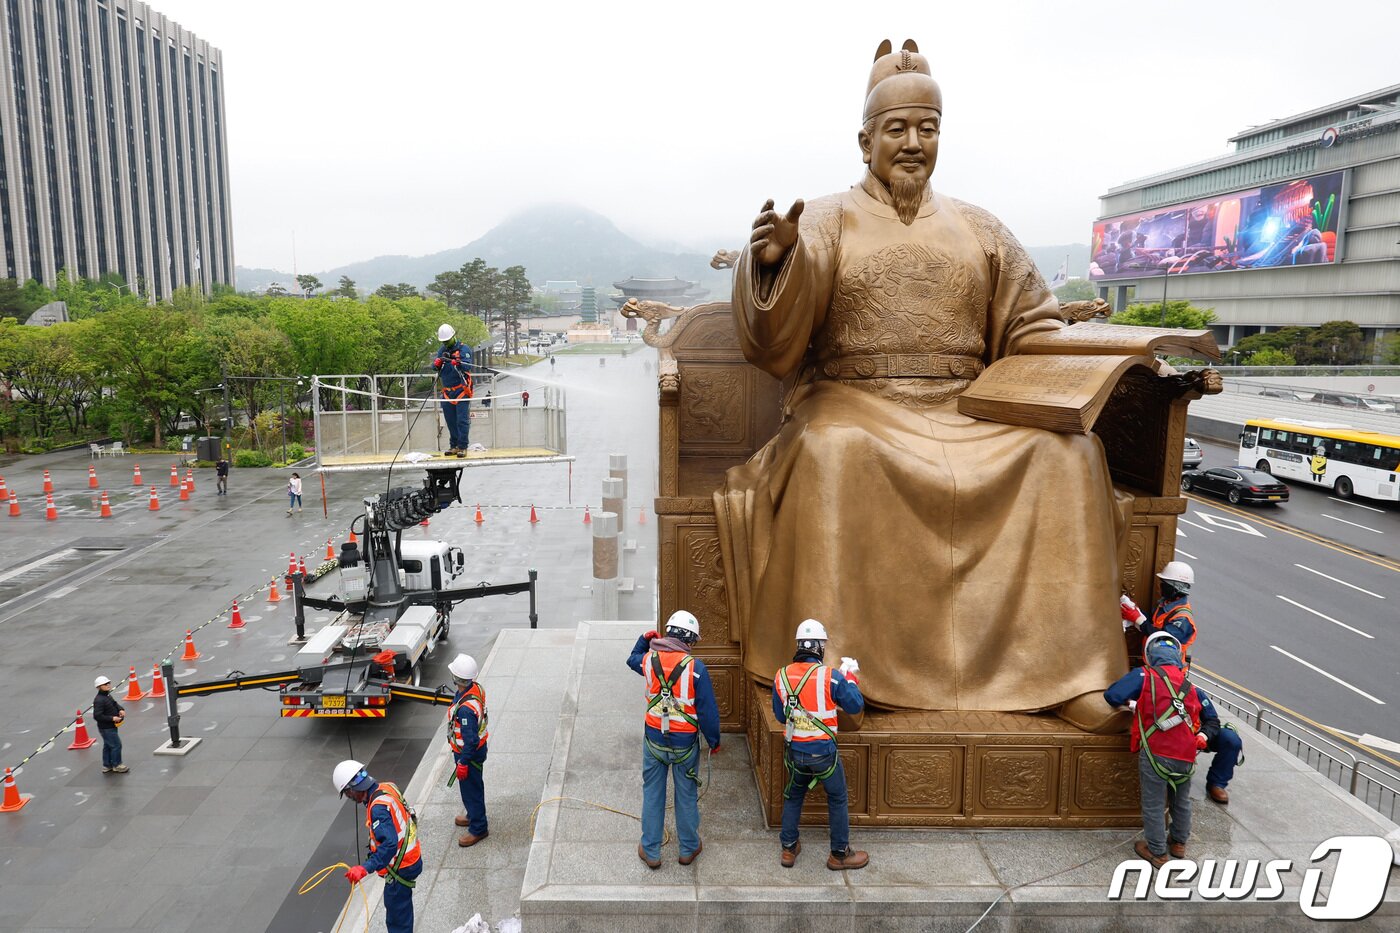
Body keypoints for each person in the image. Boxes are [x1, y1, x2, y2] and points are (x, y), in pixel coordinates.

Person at [715, 39, 1138, 724]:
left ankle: (1072, 677)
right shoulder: (821, 219)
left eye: (927, 128)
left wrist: (1118, 351)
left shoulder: (980, 227)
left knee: (1069, 455)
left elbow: (1033, 327)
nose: (913, 143)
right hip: (851, 400)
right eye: (897, 129)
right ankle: (825, 680)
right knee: (833, 452)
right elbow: (773, 346)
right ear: (865, 140)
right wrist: (773, 267)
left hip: (965, 408)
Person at [1122, 563, 1242, 804]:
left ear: (1175, 586)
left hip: (1175, 678)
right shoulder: (1165, 606)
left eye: (1164, 583)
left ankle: (1217, 783)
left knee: (1231, 741)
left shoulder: (1183, 618)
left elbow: (1163, 637)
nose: (1160, 586)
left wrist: (1205, 737)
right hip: (1155, 674)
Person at [1103, 632, 1222, 867]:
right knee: (1181, 801)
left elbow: (1112, 695)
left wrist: (1134, 703)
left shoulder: (1143, 675)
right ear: (1178, 658)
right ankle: (1178, 843)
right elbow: (1213, 721)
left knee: (1154, 802)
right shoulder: (1192, 687)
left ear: (1149, 657)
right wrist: (1203, 735)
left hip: (1156, 752)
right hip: (1186, 755)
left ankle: (1157, 851)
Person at [626, 610, 721, 869]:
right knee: (686, 795)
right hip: (685, 744)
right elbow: (708, 711)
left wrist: (645, 639)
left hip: (654, 740)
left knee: (653, 794)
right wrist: (714, 740)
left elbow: (631, 659)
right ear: (689, 640)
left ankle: (651, 851)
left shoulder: (648, 660)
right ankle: (688, 848)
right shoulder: (696, 669)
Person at [772, 619, 868, 870]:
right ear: (819, 648)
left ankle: (789, 849)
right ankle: (839, 854)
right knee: (837, 797)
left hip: (795, 752)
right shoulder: (831, 676)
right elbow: (855, 705)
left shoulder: (781, 676)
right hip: (823, 753)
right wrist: (851, 679)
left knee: (793, 796)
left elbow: (781, 717)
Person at [334, 759, 422, 933]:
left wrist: (365, 868)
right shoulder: (387, 787)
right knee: (402, 912)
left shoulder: (378, 809)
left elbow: (389, 845)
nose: (348, 798)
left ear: (352, 789)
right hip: (411, 858)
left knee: (397, 920)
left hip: (400, 868)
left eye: (346, 793)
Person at [446, 654, 489, 846]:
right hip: (473, 751)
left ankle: (478, 828)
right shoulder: (475, 688)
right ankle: (473, 815)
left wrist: (463, 762)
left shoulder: (465, 710)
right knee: (472, 788)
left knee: (472, 790)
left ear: (457, 679)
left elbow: (470, 740)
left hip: (468, 755)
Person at [1122, 561, 1197, 657]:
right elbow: (1153, 622)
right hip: (1154, 661)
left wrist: (1138, 619)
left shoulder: (1182, 619)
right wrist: (1136, 611)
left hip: (1168, 667)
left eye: (1163, 585)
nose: (1159, 588)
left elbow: (1163, 639)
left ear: (1174, 588)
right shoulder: (1166, 604)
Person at [433, 323, 474, 456]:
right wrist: (436, 365)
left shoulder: (463, 349)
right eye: (444, 341)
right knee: (450, 420)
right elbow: (435, 366)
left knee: (462, 420)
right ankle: (454, 445)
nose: (446, 343)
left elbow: (468, 366)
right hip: (447, 392)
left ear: (453, 337)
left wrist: (459, 362)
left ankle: (462, 446)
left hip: (461, 390)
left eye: (448, 340)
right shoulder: (442, 350)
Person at [92, 675, 127, 774]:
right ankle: (117, 765)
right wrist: (112, 718)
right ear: (99, 687)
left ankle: (107, 765)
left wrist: (120, 709)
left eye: (108, 683)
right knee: (116, 745)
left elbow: (114, 703)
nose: (108, 685)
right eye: (105, 684)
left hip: (110, 727)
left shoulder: (107, 695)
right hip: (107, 728)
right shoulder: (99, 700)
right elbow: (97, 716)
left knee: (108, 745)